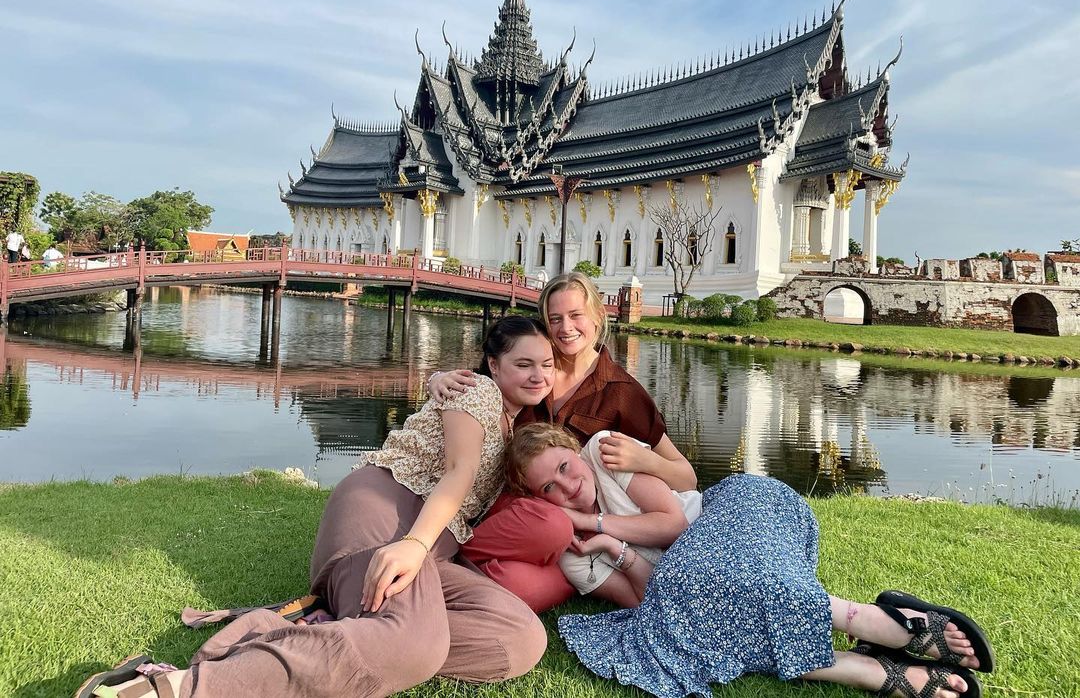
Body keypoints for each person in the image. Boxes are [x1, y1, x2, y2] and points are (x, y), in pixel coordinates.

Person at [77, 316, 556, 698]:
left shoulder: (518, 426)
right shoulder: (477, 392)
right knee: (415, 645)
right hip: (385, 516)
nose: (538, 375)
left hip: (428, 548)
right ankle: (173, 686)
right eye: (524, 363)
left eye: (548, 364)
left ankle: (332, 631)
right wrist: (412, 544)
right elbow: (459, 472)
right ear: (494, 365)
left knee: (519, 639)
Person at [506, 423, 994, 698]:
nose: (567, 486)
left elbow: (673, 524)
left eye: (564, 467)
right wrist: (617, 552)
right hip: (706, 586)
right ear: (537, 500)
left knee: (704, 579)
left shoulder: (602, 453)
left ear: (574, 452)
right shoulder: (575, 559)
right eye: (549, 488)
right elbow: (648, 602)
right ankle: (867, 659)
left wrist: (595, 524)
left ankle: (875, 627)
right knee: (691, 608)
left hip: (739, 510)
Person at [428, 271, 696, 612]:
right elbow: (482, 384)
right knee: (534, 541)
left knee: (530, 577)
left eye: (575, 315)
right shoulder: (536, 369)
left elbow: (687, 477)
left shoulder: (623, 393)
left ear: (598, 316)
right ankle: (445, 557)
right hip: (509, 502)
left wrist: (646, 461)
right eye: (555, 319)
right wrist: (438, 377)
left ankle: (453, 572)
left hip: (562, 519)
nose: (566, 328)